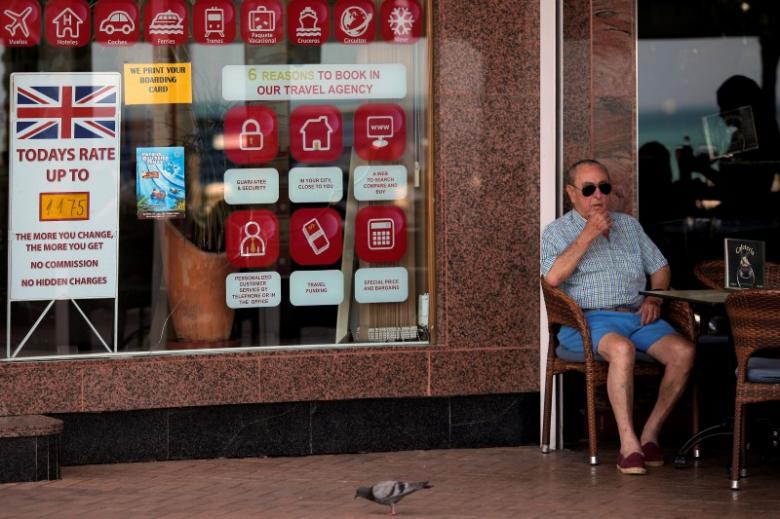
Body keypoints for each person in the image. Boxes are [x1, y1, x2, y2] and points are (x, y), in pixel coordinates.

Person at [541, 159, 695, 475]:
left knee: (684, 352)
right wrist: (588, 235)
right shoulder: (556, 232)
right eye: (588, 189)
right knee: (621, 349)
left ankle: (650, 433)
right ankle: (629, 445)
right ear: (572, 194)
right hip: (586, 322)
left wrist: (655, 296)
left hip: (636, 316)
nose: (598, 196)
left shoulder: (629, 225)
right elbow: (553, 277)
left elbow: (661, 267)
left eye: (604, 187)